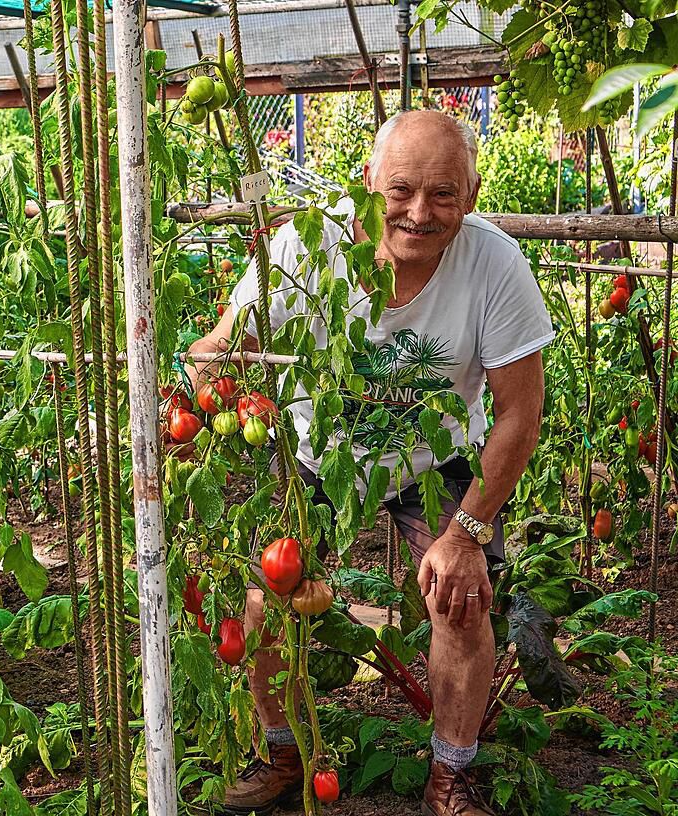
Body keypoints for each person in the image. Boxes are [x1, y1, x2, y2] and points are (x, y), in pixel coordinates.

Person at [187, 110, 553, 815]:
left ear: (470, 196)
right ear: (366, 184)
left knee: (462, 596)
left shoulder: (495, 264)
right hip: (315, 451)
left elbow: (519, 415)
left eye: (444, 194)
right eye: (401, 190)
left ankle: (451, 774)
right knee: (264, 602)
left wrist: (467, 534)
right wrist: (203, 380)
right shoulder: (303, 246)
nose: (420, 212)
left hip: (437, 453)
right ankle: (283, 753)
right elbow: (227, 344)